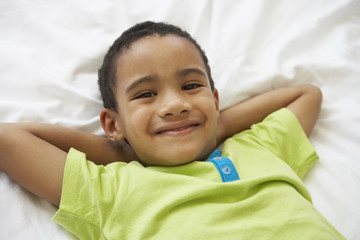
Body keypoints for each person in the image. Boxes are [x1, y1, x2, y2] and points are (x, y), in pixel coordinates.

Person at [0, 21, 344, 239]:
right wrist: (121, 145)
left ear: (215, 98)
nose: (174, 105)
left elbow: (306, 95)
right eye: (146, 94)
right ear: (112, 122)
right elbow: (9, 139)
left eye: (191, 86)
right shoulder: (113, 189)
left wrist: (215, 123)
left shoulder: (258, 148)